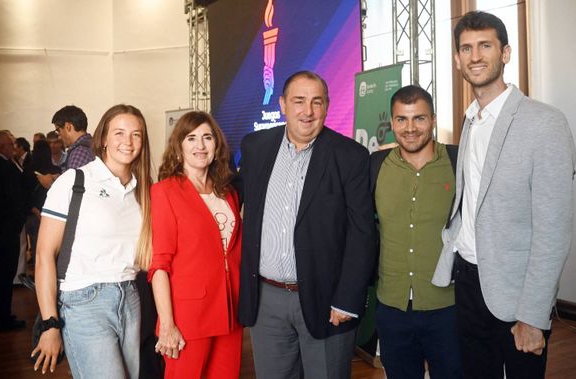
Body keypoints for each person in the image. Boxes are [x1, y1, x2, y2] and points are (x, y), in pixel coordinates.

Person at [432, 11, 576, 379]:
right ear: (457, 59)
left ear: (506, 53)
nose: (475, 56)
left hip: (516, 295)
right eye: (466, 48)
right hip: (467, 284)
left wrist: (533, 313)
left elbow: (553, 231)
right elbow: (470, 200)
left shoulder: (544, 122)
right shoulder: (470, 121)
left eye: (485, 46)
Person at [237, 70, 377, 378]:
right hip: (267, 300)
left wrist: (347, 299)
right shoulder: (255, 147)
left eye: (317, 102)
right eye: (299, 101)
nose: (308, 111)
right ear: (283, 104)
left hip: (327, 299)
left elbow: (362, 233)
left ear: (326, 107)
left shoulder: (350, 156)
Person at [33, 104, 153, 377]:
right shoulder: (74, 181)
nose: (128, 141)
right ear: (103, 138)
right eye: (119, 133)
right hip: (84, 302)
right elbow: (43, 255)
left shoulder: (142, 190)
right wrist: (50, 324)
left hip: (131, 299)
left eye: (136, 134)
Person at [370, 85, 461, 378]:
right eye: (401, 120)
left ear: (433, 119)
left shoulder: (459, 162)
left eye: (419, 119)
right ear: (392, 123)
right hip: (392, 307)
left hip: (448, 306)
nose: (410, 128)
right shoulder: (375, 165)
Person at [148, 111, 243, 378]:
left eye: (207, 137)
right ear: (179, 148)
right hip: (188, 316)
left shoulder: (228, 192)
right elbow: (159, 265)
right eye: (191, 138)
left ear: (217, 146)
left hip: (230, 310)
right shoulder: (164, 192)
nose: (200, 146)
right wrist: (167, 324)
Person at [0, 130, 26, 332]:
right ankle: (3, 318)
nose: (13, 148)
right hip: (4, 233)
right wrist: (17, 224)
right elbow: (15, 199)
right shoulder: (4, 167)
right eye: (9, 145)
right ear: (0, 147)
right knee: (4, 277)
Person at [52, 105, 94, 170]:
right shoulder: (90, 145)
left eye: (58, 130)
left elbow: (74, 180)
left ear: (68, 127)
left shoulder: (79, 153)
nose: (59, 137)